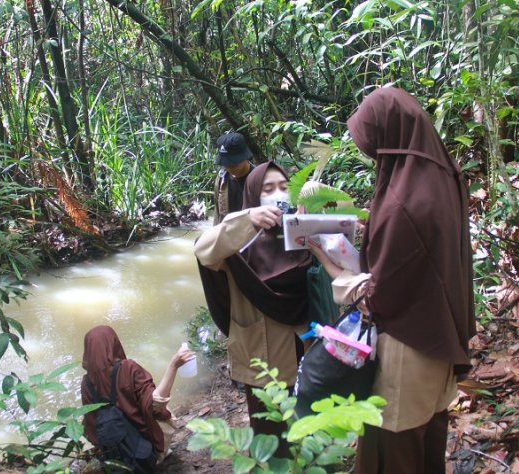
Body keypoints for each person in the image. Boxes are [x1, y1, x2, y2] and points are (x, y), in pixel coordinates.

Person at [308, 87, 475, 473]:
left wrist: (325, 258)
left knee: (394, 445)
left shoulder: (403, 201)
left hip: (407, 346)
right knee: (429, 432)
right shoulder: (441, 174)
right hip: (440, 333)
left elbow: (375, 297)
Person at [195, 162, 311, 453]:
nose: (278, 194)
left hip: (306, 350)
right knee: (270, 437)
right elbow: (203, 249)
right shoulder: (238, 243)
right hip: (261, 354)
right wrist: (248, 219)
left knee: (307, 428)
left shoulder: (301, 231)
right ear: (252, 196)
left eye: (284, 188)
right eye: (267, 189)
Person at [80, 325, 196, 466]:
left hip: (113, 454)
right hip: (142, 452)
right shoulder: (128, 368)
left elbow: (90, 424)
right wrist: (173, 366)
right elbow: (155, 404)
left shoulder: (86, 383)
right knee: (163, 411)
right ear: (114, 344)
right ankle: (159, 453)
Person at [212, 132, 255, 225]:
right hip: (229, 233)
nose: (229, 168)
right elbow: (218, 213)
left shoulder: (258, 179)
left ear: (245, 157)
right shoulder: (221, 179)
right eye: (225, 164)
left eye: (234, 164)